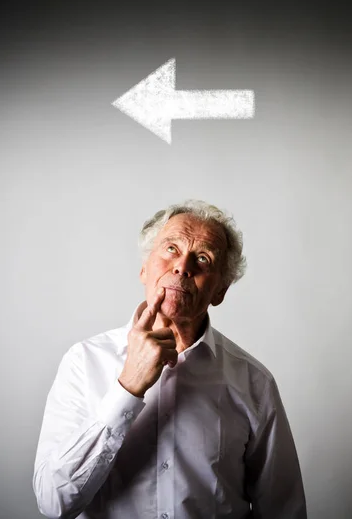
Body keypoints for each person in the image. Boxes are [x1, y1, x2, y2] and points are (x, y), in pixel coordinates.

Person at [32, 199, 307, 518]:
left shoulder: (254, 382)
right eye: (171, 249)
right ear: (144, 269)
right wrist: (128, 386)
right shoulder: (83, 362)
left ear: (220, 291)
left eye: (203, 258)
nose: (183, 266)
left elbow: (283, 510)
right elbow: (54, 502)